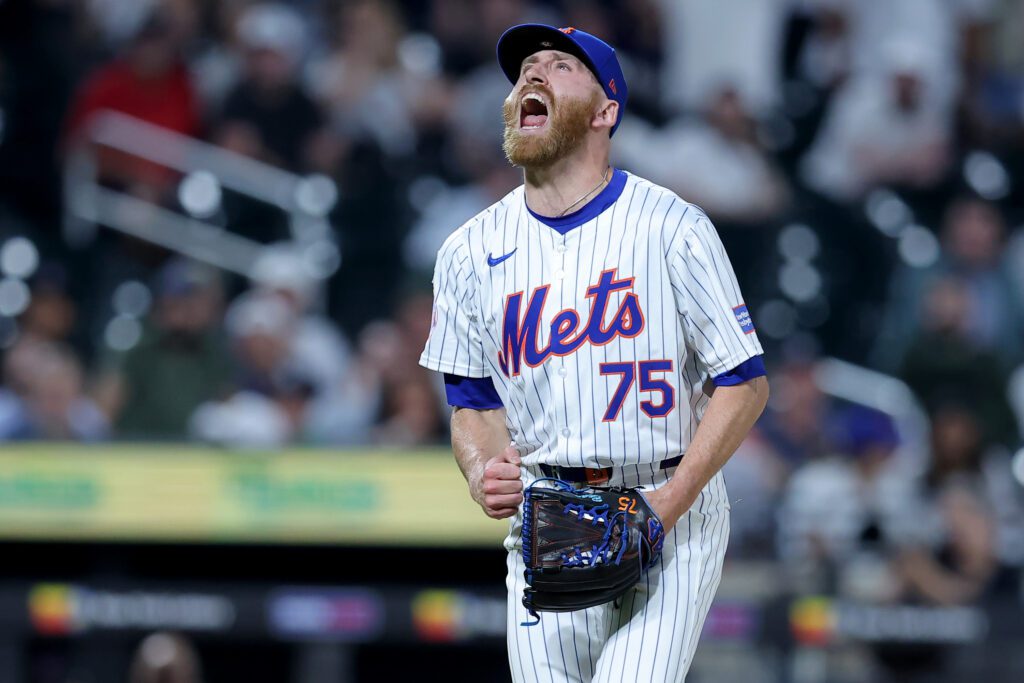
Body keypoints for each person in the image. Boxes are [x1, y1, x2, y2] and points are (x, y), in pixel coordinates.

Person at [418, 24, 769, 682]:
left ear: (607, 111)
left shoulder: (673, 227)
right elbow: (471, 401)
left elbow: (745, 383)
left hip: (671, 499)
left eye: (559, 66)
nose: (533, 75)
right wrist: (478, 466)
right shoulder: (467, 249)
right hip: (547, 513)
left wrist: (670, 503)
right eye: (525, 69)